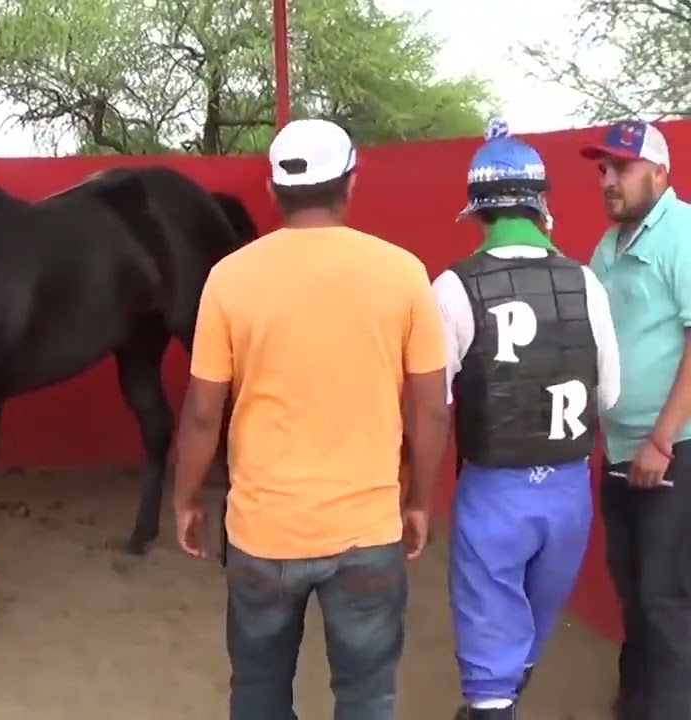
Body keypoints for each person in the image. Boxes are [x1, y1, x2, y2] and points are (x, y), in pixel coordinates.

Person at [170, 118, 451, 719]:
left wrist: (186, 497)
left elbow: (200, 413)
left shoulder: (229, 278)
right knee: (366, 696)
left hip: (261, 533)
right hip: (367, 533)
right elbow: (431, 408)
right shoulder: (402, 272)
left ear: (273, 191)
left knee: (258, 693)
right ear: (351, 181)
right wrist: (420, 500)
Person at [433, 119, 621, 720]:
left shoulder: (454, 287)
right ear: (541, 205)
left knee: (490, 656)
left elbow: (431, 401)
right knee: (530, 634)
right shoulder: (584, 280)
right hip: (568, 495)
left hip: (495, 495)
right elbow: (609, 395)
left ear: (478, 210)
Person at [582, 120, 691, 720]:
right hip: (620, 446)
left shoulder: (683, 232)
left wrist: (662, 437)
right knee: (631, 589)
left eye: (621, 169)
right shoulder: (610, 245)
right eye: (603, 170)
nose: (608, 181)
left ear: (659, 173)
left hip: (672, 448)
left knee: (664, 597)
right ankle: (638, 705)